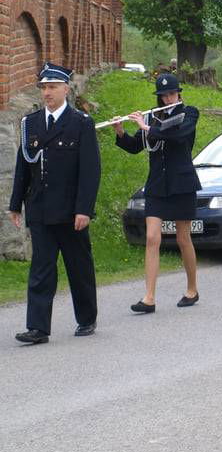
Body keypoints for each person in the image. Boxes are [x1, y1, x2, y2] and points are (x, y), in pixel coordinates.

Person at [10, 64, 101, 344]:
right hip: (40, 208)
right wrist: (16, 204)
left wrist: (84, 209)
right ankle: (38, 327)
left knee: (78, 267)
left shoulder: (80, 122)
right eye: (43, 87)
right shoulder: (31, 123)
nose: (47, 92)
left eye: (52, 87)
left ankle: (86, 318)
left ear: (65, 89)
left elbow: (90, 170)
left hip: (71, 210)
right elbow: (23, 166)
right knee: (41, 268)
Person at [113, 73, 201, 312]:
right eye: (163, 95)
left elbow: (178, 135)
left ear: (178, 94)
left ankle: (192, 289)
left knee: (183, 238)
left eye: (171, 94)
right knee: (152, 238)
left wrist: (146, 126)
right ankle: (149, 297)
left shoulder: (189, 113)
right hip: (157, 185)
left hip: (181, 184)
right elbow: (136, 147)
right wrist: (121, 133)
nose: (167, 98)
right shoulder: (154, 115)